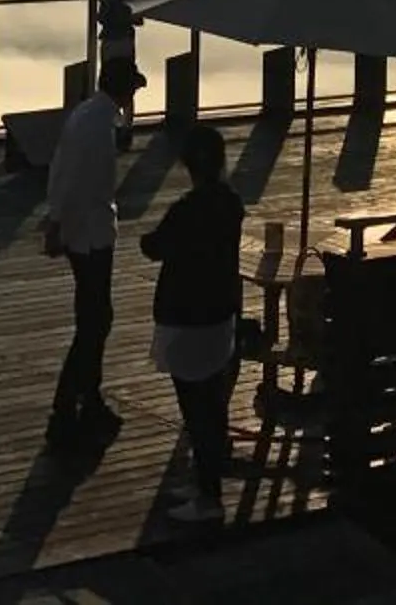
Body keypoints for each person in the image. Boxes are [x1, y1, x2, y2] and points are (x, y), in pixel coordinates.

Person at [141, 120, 244, 527]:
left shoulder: (186, 210)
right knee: (213, 403)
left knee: (197, 409)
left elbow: (154, 246)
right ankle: (205, 480)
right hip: (220, 314)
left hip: (186, 318)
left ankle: (209, 496)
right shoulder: (231, 204)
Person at [44, 59, 141, 446]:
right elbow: (76, 180)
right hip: (91, 233)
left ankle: (86, 397)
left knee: (94, 317)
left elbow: (61, 170)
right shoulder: (99, 126)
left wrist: (56, 219)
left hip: (84, 229)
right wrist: (57, 223)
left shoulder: (86, 115)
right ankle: (69, 403)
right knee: (94, 320)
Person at [97, 0, 144, 146]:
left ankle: (113, 126)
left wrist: (104, 0)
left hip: (110, 42)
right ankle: (127, 127)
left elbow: (102, 18)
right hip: (126, 41)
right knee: (127, 83)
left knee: (109, 85)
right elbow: (139, 20)